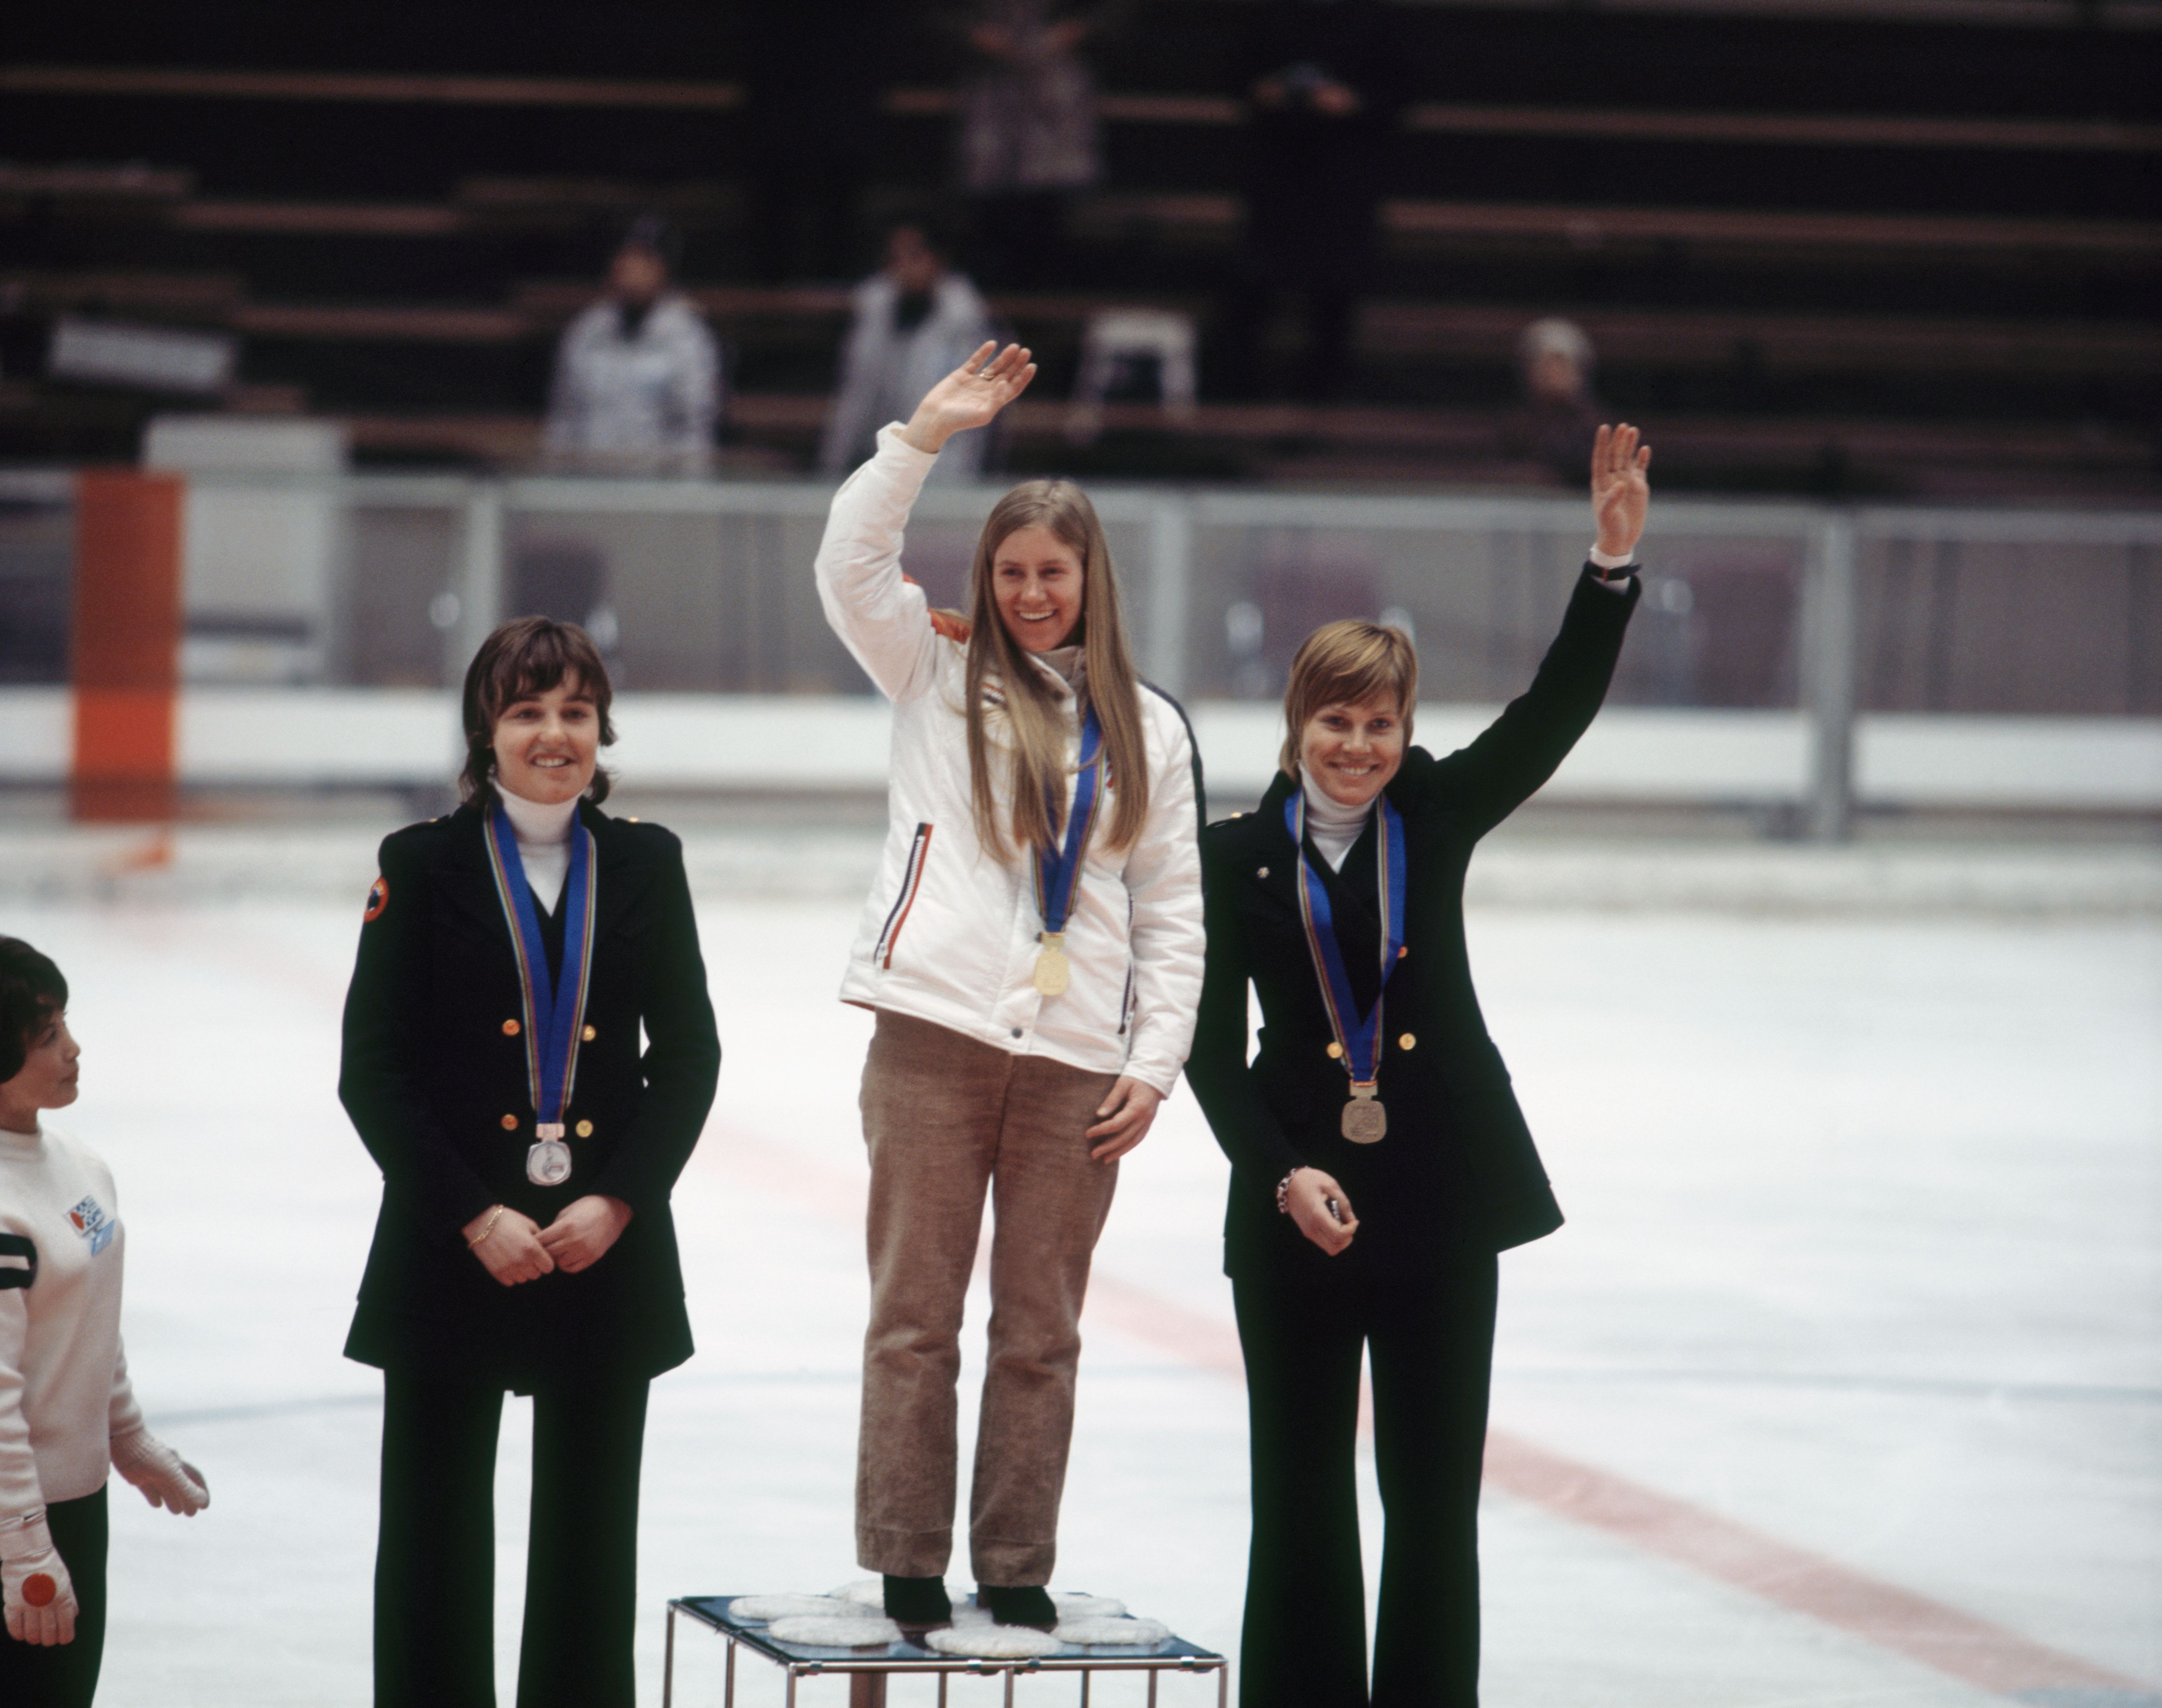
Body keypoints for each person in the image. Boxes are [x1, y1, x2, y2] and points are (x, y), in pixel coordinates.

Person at [1185, 425, 1653, 1706]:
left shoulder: (1433, 811)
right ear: (1298, 724)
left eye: (1379, 721)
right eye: (1335, 720)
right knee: (1298, 1503)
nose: (1358, 744)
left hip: (1441, 1194)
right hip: (1297, 1208)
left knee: (1434, 1504)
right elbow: (1207, 1052)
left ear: (1403, 727)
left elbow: (1550, 711)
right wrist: (1280, 1171)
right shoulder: (1234, 859)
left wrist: (1608, 564)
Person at [815, 341, 1204, 1629]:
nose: (1033, 591)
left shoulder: (1148, 726)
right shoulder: (930, 671)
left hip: (1075, 1061)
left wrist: (1150, 1063)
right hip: (930, 1034)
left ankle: (1017, 1563)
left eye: (1054, 570)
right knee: (914, 1317)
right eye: (1014, 570)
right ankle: (907, 1557)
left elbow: (1171, 909)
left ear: (1091, 577)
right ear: (986, 575)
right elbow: (849, 569)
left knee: (1040, 1328)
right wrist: (916, 438)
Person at [339, 617, 720, 1708]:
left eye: (574, 711)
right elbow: (375, 1071)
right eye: (526, 711)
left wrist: (619, 1199)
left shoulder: (647, 861)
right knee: (430, 1543)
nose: (553, 735)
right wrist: (471, 1213)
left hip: (600, 1249)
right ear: (484, 731)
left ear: (602, 730)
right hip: (449, 1246)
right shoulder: (420, 864)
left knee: (591, 1548)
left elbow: (688, 1057)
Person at [0, 937, 210, 1708]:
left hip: (77, 1506)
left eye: (66, 1025)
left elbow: (90, 1321)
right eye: (47, 1036)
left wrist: (128, 1439)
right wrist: (23, 1551)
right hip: (19, 1517)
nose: (73, 1049)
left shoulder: (81, 1167)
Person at [951, 1, 1124, 289]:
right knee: (990, 201)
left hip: (1057, 79)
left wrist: (1079, 29)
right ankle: (994, 294)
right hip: (990, 83)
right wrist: (970, 33)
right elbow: (929, 14)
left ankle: (1047, 291)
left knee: (1051, 202)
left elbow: (1116, 12)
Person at [542, 218, 722, 476]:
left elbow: (694, 433)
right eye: (625, 258)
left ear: (664, 269)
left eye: (644, 260)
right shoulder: (587, 331)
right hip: (587, 491)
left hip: (654, 496)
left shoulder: (688, 337)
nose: (631, 269)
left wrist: (686, 502)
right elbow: (563, 420)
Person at [821, 224, 998, 483]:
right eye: (895, 258)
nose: (904, 267)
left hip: (945, 470)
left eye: (914, 257)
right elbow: (856, 396)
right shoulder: (874, 309)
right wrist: (833, 466)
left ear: (938, 260)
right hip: (876, 460)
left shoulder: (966, 319)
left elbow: (968, 419)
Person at [1507, 317, 1604, 484]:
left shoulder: (1598, 428)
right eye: (1547, 366)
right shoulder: (1514, 426)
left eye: (1562, 365)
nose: (1554, 375)